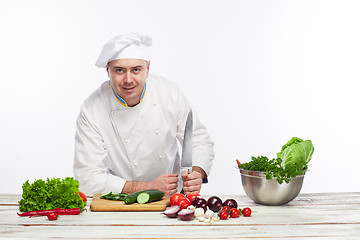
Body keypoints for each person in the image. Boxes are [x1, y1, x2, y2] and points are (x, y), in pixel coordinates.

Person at [73, 33, 214, 197]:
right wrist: (147, 187)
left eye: (136, 70)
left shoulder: (168, 92)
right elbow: (86, 177)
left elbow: (198, 139)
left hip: (172, 196)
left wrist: (197, 173)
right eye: (119, 70)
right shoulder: (92, 108)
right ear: (107, 71)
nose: (128, 79)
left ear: (147, 69)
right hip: (119, 199)